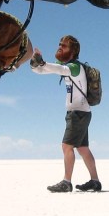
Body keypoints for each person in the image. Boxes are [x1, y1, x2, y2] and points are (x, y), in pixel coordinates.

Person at [30, 35, 102, 193]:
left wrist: (42, 62)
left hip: (78, 114)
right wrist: (35, 63)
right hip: (80, 113)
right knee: (83, 148)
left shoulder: (74, 67)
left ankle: (66, 182)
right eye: (59, 44)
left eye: (64, 46)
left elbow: (58, 69)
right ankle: (95, 181)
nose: (60, 47)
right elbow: (43, 70)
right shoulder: (68, 66)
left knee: (66, 146)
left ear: (74, 51)